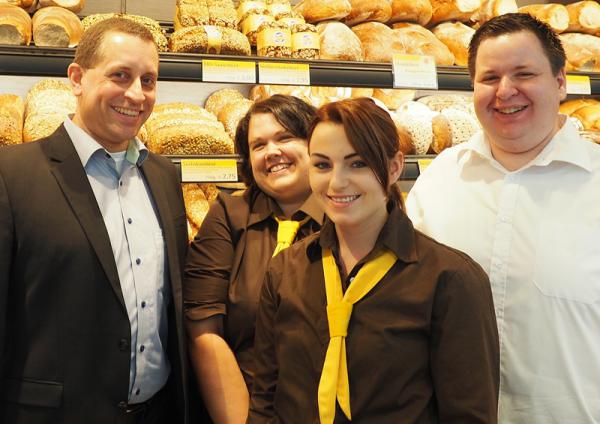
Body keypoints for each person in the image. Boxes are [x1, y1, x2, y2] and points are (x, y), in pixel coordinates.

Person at [249, 97, 499, 423]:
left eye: (358, 163)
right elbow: (265, 399)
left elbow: (468, 415)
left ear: (394, 167)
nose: (337, 182)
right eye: (322, 165)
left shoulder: (450, 280)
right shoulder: (286, 269)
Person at [406, 13, 600, 424]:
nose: (505, 91)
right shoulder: (439, 180)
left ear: (560, 82)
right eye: (489, 77)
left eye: (524, 73)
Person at [0, 18, 189, 424]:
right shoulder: (11, 174)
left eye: (149, 80)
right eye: (120, 75)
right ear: (77, 78)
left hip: (158, 413)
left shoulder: (163, 175)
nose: (136, 94)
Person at [184, 94, 322, 423]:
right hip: (241, 404)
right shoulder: (229, 214)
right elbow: (204, 329)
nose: (271, 152)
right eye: (258, 145)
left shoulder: (345, 214)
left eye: (285, 137)